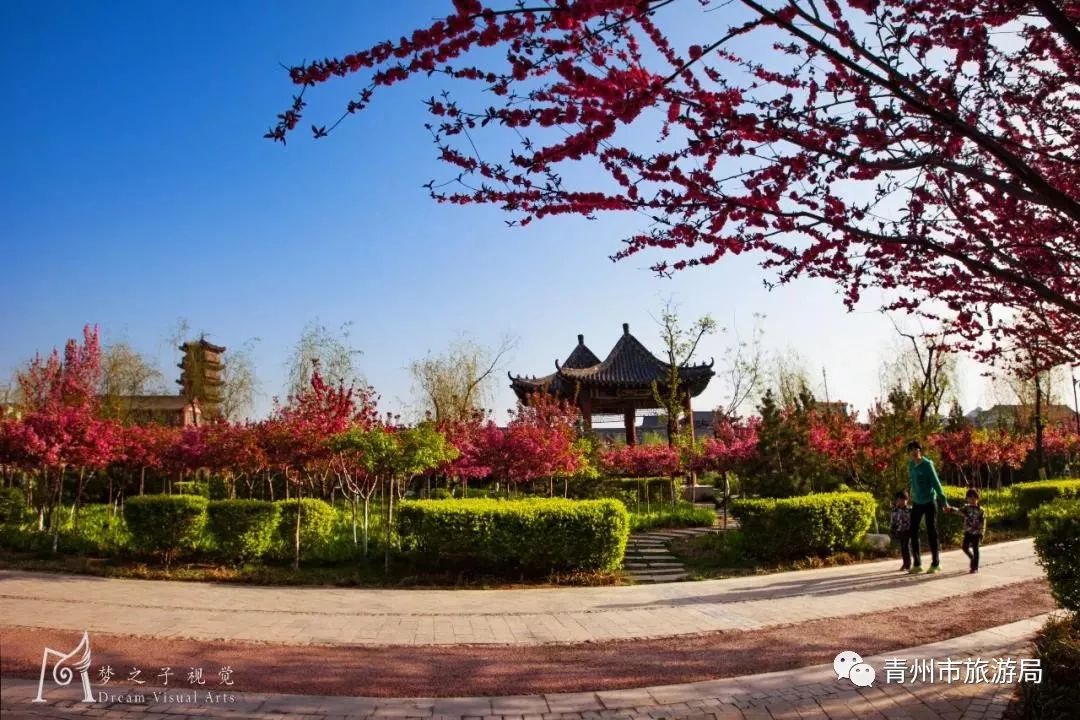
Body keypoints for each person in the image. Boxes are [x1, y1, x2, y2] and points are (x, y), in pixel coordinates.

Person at [906, 441, 951, 574]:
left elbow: (937, 484)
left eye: (916, 449)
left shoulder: (927, 464)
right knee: (912, 531)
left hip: (930, 501)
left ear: (920, 451)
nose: (914, 452)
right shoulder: (911, 465)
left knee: (932, 531)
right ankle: (917, 564)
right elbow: (912, 482)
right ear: (909, 453)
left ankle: (936, 563)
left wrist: (944, 502)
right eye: (912, 450)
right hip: (917, 502)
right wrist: (910, 497)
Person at [955, 488, 987, 573]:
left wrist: (981, 533)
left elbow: (983, 523)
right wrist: (950, 509)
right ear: (967, 499)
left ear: (977, 498)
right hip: (968, 532)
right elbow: (958, 511)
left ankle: (975, 567)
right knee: (964, 547)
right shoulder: (966, 508)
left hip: (977, 533)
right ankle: (972, 557)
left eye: (974, 498)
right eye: (970, 498)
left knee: (976, 549)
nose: (972, 500)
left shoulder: (981, 510)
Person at [889, 490, 913, 571]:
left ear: (907, 500)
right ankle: (905, 563)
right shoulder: (895, 510)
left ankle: (908, 564)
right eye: (900, 500)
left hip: (908, 530)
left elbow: (914, 520)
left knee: (906, 546)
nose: (902, 502)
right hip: (899, 530)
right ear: (897, 500)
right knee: (902, 547)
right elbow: (893, 520)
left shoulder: (910, 510)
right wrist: (892, 529)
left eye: (904, 500)